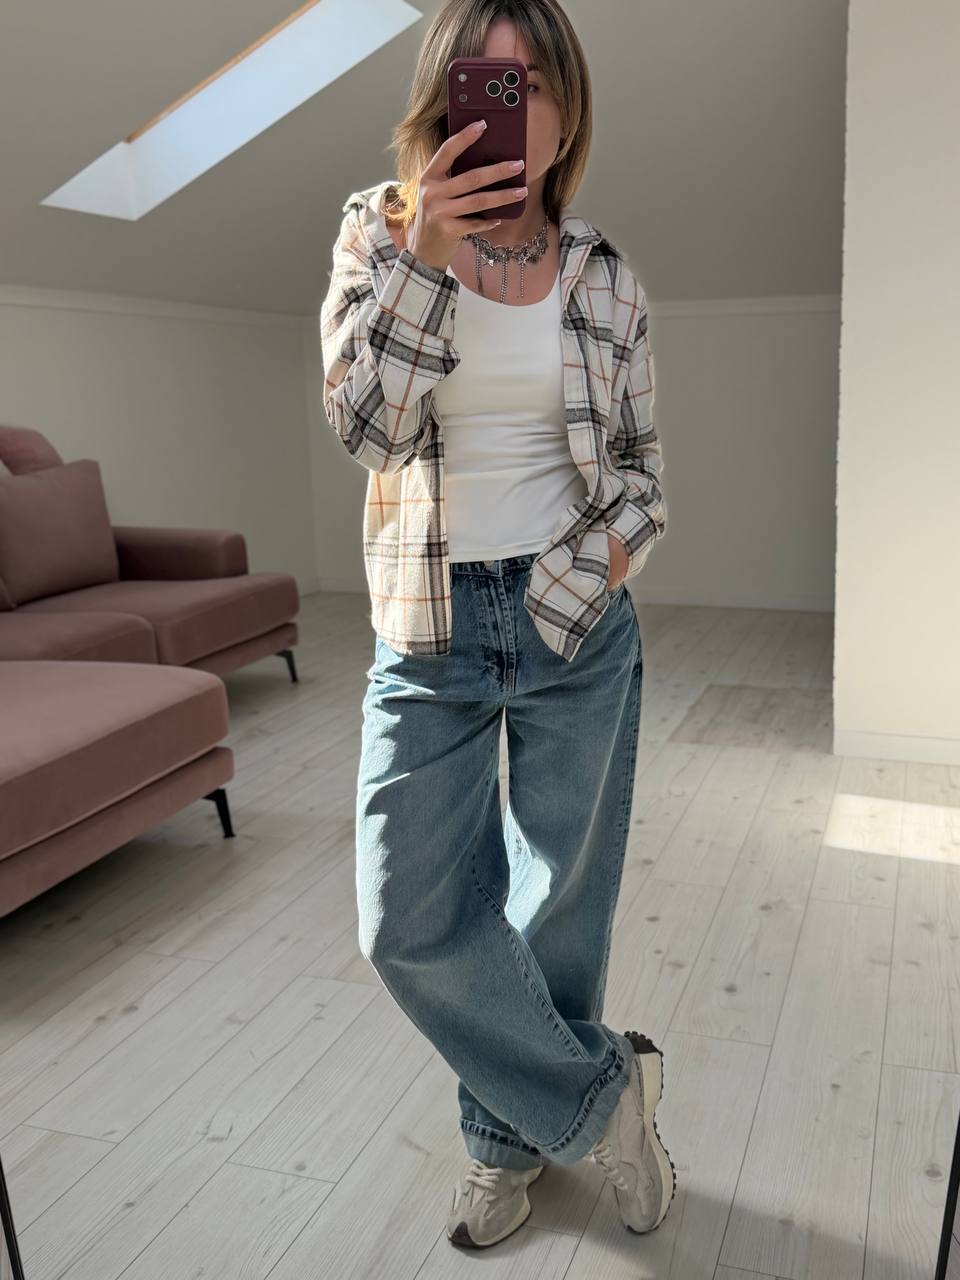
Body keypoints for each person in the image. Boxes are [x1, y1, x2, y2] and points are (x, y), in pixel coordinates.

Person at [319, 0, 674, 1251]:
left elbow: (643, 478)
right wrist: (428, 254)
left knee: (556, 910)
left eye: (534, 87)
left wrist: (585, 575)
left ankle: (500, 1140)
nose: (511, 112)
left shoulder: (606, 276)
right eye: (487, 83)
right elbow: (368, 430)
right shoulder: (379, 233)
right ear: (445, 97)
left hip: (574, 613)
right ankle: (604, 1099)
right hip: (428, 626)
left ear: (567, 113)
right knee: (404, 920)